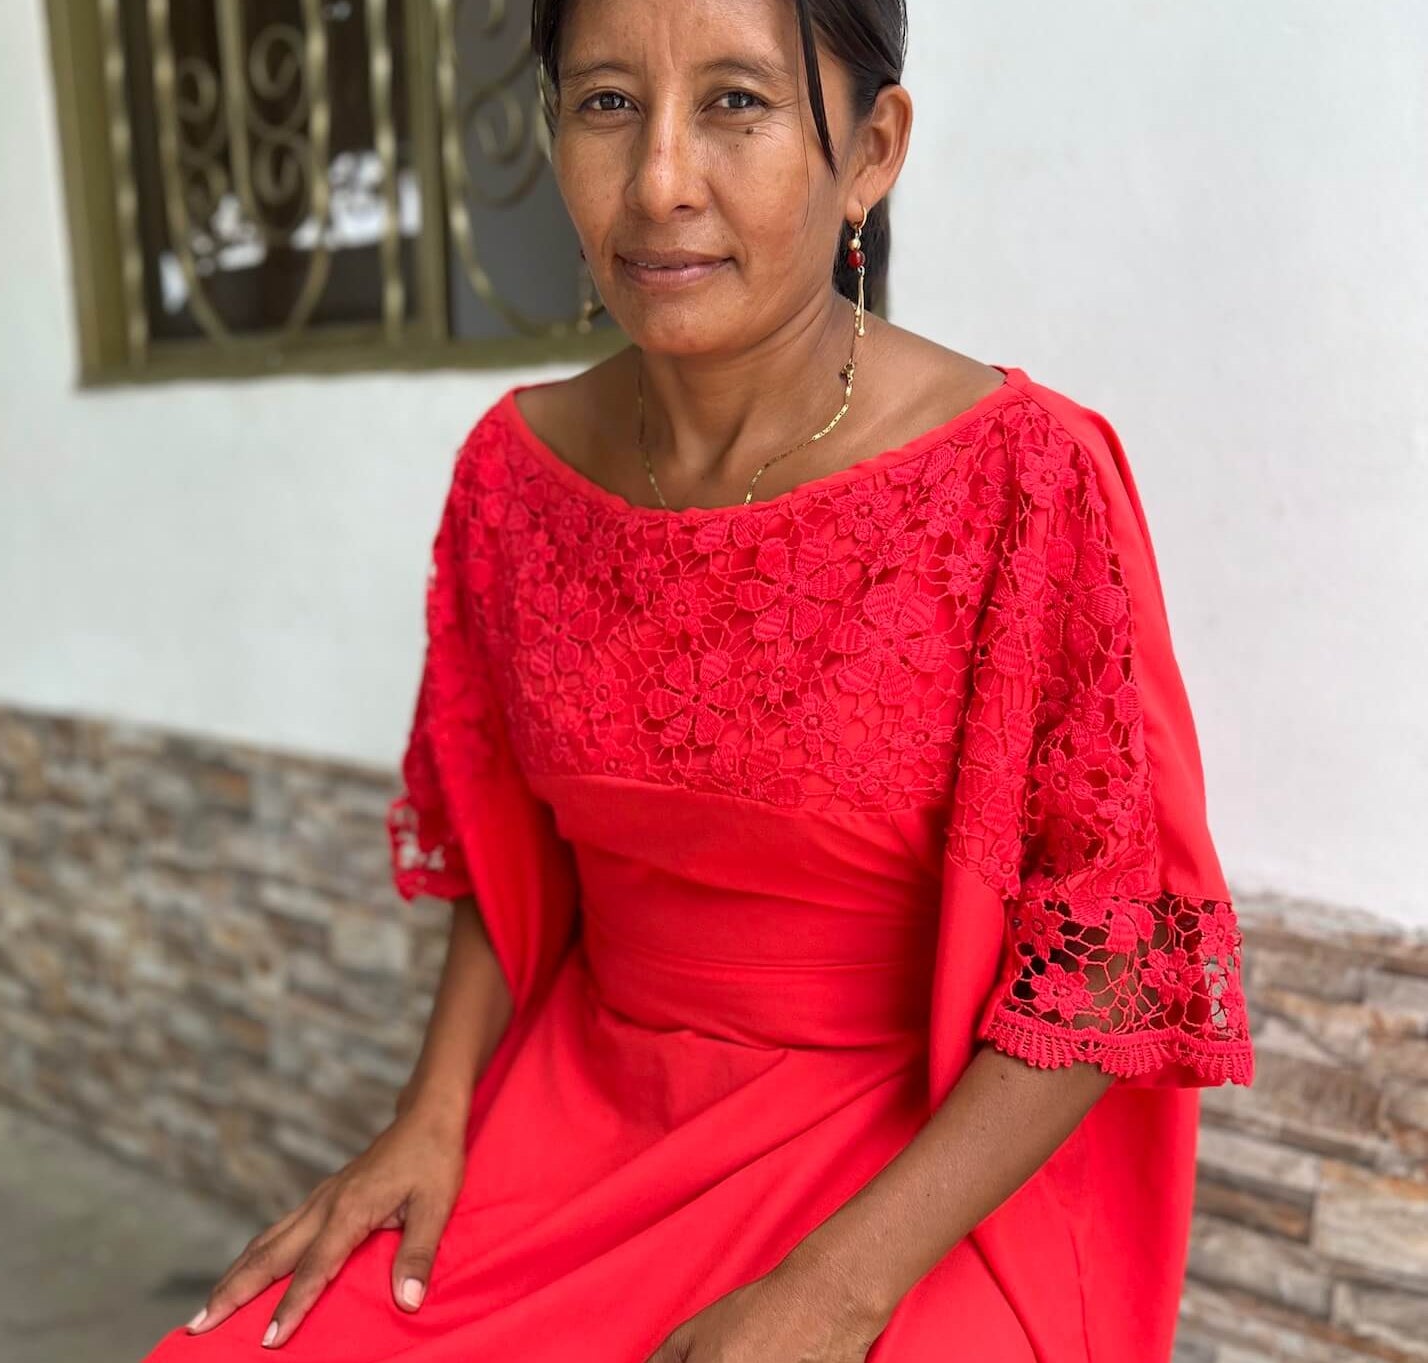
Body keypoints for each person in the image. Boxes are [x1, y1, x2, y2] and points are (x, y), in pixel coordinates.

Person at [140, 0, 1254, 1359]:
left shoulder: (1026, 479)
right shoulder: (515, 472)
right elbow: (509, 853)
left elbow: (1114, 961)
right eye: (607, 103)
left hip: (914, 1173)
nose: (661, 180)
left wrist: (837, 1292)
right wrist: (427, 1117)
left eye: (737, 102)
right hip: (582, 1116)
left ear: (871, 151)